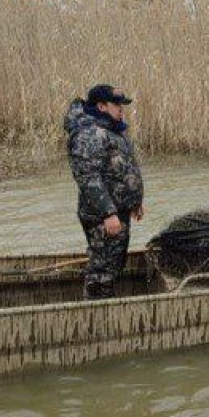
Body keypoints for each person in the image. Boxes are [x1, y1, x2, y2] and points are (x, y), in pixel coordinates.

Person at [64, 84, 145, 299]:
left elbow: (121, 170)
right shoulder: (90, 134)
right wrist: (108, 213)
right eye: (116, 105)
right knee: (101, 273)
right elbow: (88, 177)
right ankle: (95, 316)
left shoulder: (111, 130)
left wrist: (134, 200)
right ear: (101, 106)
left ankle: (103, 307)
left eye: (122, 105)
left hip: (118, 212)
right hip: (103, 217)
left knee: (113, 265)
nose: (121, 109)